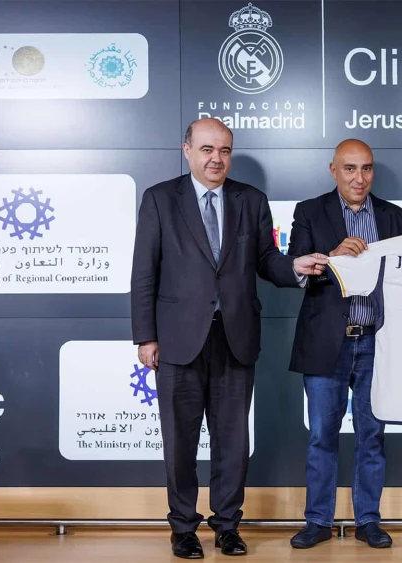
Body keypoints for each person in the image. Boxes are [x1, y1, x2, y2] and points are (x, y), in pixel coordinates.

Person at [130, 117, 329, 559]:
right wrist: (145, 336)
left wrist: (295, 267)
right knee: (179, 443)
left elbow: (265, 259)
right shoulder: (160, 199)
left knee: (233, 442)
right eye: (206, 149)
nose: (216, 158)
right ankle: (183, 528)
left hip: (235, 338)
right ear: (187, 151)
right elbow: (144, 271)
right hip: (179, 340)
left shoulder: (250, 200)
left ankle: (227, 526)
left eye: (223, 150)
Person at [286, 139, 402, 550]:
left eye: (367, 169)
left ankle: (369, 521)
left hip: (378, 343)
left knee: (372, 434)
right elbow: (297, 268)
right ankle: (318, 521)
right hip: (327, 343)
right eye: (350, 169)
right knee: (322, 435)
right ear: (333, 169)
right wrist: (332, 256)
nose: (360, 178)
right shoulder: (309, 212)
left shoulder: (398, 217)